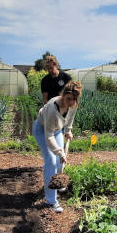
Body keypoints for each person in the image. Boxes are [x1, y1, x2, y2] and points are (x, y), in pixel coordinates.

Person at [33, 81, 82, 213]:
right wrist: (59, 151)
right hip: (43, 130)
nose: (71, 102)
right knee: (51, 162)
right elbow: (48, 136)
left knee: (60, 163)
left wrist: (68, 130)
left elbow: (70, 118)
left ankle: (58, 183)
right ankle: (51, 201)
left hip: (57, 130)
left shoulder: (73, 105)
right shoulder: (52, 108)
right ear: (63, 95)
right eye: (69, 99)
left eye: (74, 99)